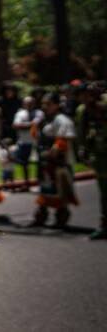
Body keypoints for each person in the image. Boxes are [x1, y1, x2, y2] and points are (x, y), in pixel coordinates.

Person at [32, 93, 78, 228]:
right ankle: (42, 215)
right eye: (43, 104)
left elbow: (62, 141)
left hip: (59, 163)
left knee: (60, 191)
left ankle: (61, 217)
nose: (45, 107)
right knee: (45, 189)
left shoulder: (62, 120)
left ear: (57, 105)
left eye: (48, 104)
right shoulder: (45, 119)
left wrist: (53, 151)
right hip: (46, 162)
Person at [76, 83, 107, 239]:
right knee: (104, 193)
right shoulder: (83, 111)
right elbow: (82, 133)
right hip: (100, 157)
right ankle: (104, 225)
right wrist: (83, 151)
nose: (85, 98)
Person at [12, 96, 44, 191]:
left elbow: (37, 124)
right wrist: (30, 125)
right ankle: (27, 183)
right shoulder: (20, 113)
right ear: (23, 104)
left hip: (37, 140)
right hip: (24, 141)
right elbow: (15, 125)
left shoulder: (39, 113)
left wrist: (24, 125)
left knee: (40, 162)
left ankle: (41, 181)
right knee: (24, 163)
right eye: (27, 103)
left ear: (34, 103)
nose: (29, 105)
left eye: (31, 103)